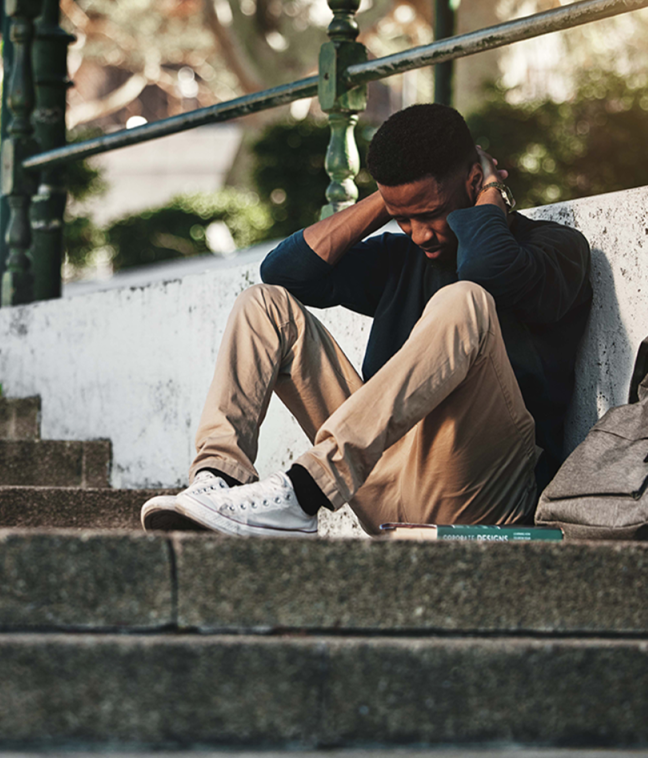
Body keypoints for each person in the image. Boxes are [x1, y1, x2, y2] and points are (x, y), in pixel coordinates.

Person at [141, 103, 592, 538]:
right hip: (376, 480)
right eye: (404, 219)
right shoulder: (402, 258)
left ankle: (303, 491)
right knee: (264, 303)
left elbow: (486, 271)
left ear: (474, 180)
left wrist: (491, 191)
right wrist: (390, 198)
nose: (420, 234)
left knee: (466, 300)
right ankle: (220, 479)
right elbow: (285, 271)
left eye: (431, 214)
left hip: (485, 493)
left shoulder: (555, 249)